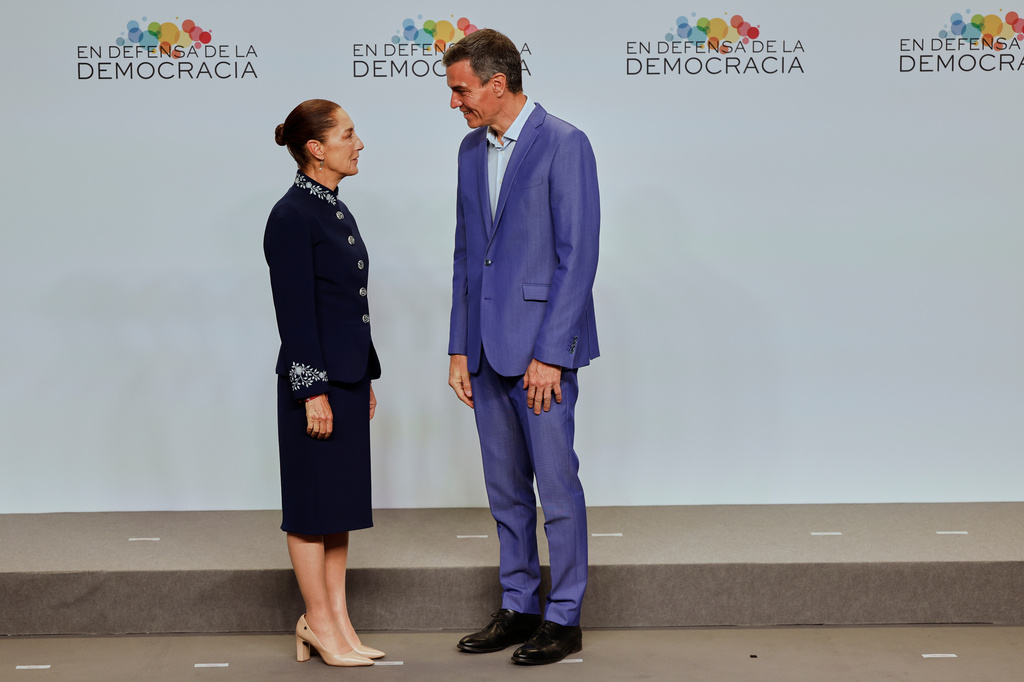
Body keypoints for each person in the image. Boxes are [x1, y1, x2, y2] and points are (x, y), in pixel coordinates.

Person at [442, 30, 601, 665]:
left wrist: (551, 355)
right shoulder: (466, 150)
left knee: (556, 490)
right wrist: (458, 346)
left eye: (461, 90)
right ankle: (519, 606)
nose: (455, 102)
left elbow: (577, 258)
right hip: (483, 353)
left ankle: (564, 618)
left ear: (496, 84)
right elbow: (464, 254)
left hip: (541, 357)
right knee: (505, 491)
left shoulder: (566, 143)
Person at [264, 99, 383, 668]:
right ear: (316, 148)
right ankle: (317, 621)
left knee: (337, 509)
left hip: (346, 380)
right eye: (349, 134)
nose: (359, 144)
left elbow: (347, 306)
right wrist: (312, 388)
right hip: (315, 386)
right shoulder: (292, 216)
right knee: (312, 509)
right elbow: (295, 312)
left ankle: (337, 621)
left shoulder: (334, 209)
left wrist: (365, 376)